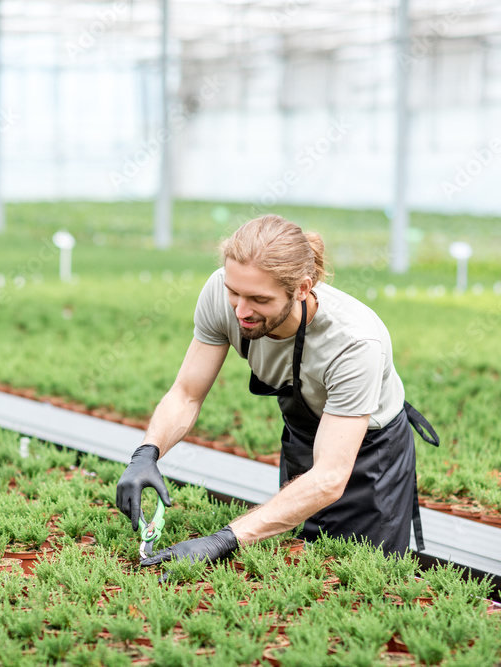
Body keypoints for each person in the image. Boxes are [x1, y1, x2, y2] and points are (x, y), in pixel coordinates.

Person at [116, 215, 438, 568]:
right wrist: (146, 453)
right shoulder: (222, 292)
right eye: (234, 292)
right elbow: (186, 393)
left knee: (359, 573)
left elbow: (329, 477)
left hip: (370, 454)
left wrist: (223, 539)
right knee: (295, 556)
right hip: (303, 434)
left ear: (302, 288)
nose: (240, 310)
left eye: (258, 299)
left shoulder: (353, 342)